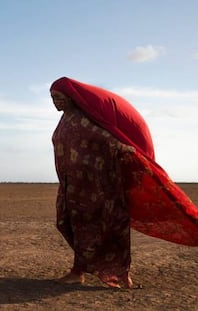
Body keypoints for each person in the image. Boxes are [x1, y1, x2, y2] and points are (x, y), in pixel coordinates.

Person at [50, 77, 198, 289]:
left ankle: (117, 274)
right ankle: (79, 270)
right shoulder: (64, 121)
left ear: (71, 97)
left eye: (58, 97)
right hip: (71, 187)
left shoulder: (83, 119)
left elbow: (105, 138)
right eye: (53, 98)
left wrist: (125, 149)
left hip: (96, 187)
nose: (55, 102)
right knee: (68, 224)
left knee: (105, 228)